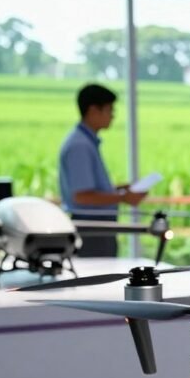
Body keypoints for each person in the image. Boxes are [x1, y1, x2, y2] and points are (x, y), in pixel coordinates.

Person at [58, 83, 146, 257]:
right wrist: (123, 197)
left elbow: (91, 190)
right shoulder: (80, 146)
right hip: (91, 230)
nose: (113, 116)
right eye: (109, 110)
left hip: (96, 228)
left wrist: (119, 190)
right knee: (97, 273)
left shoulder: (86, 142)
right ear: (93, 110)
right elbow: (82, 196)